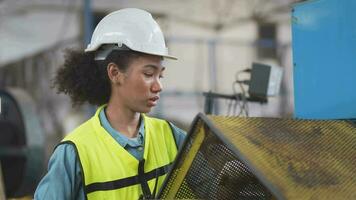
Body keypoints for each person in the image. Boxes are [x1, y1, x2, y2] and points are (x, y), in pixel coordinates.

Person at [34, 8, 186, 200]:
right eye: (148, 74)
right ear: (114, 73)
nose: (158, 86)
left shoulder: (173, 138)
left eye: (160, 75)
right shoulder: (75, 153)